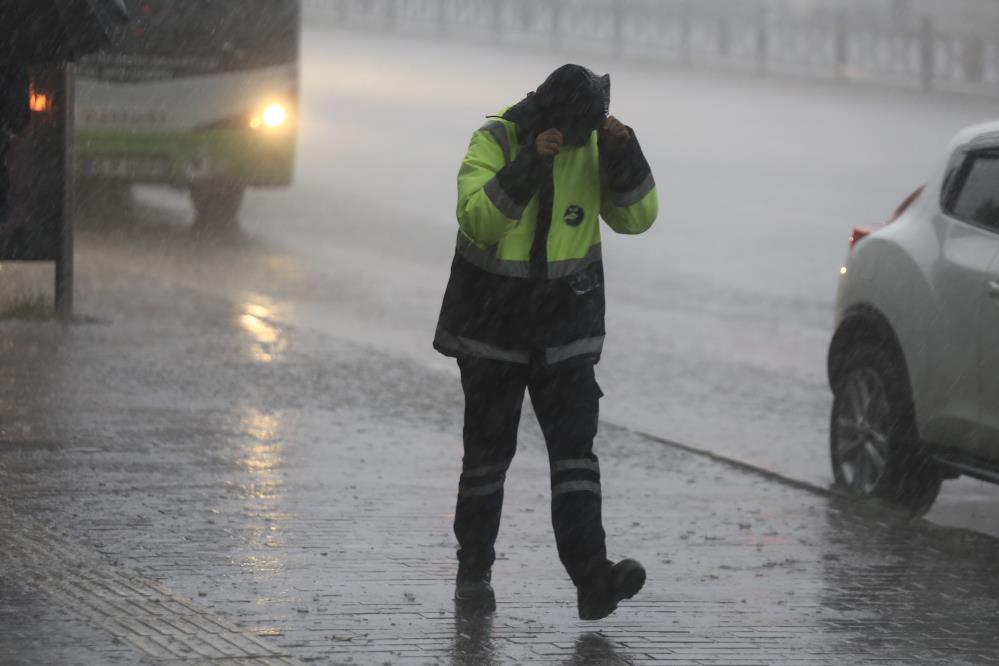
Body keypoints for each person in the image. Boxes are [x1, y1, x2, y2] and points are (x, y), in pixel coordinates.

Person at [434, 64, 659, 620]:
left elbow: (638, 217)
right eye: (578, 128)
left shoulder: (590, 146)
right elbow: (478, 220)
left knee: (576, 459)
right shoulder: (496, 138)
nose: (582, 138)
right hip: (493, 333)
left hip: (565, 335)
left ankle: (593, 579)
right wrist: (531, 161)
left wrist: (624, 151)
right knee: (488, 459)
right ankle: (474, 569)